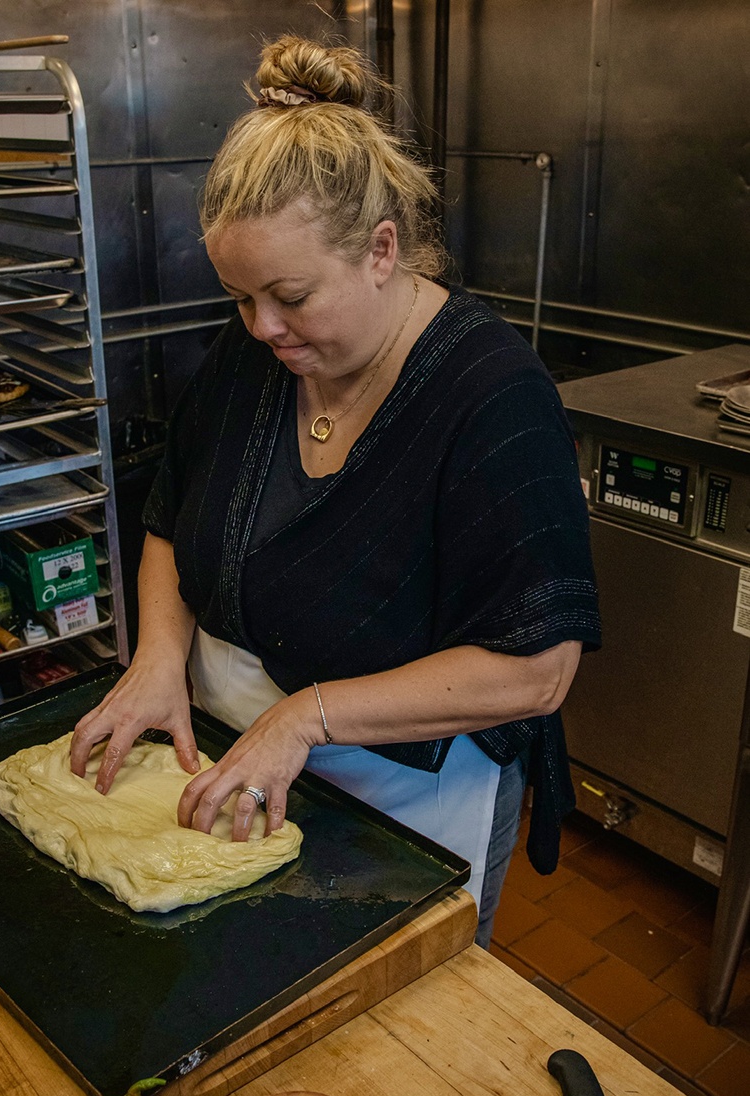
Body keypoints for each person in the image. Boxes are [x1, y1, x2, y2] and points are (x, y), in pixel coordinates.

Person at [70, 35, 600, 946]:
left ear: (383, 250)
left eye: (290, 295)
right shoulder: (256, 357)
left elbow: (539, 667)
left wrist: (307, 717)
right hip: (237, 761)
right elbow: (170, 511)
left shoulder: (490, 394)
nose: (262, 326)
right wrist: (159, 659)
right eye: (240, 298)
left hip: (404, 793)